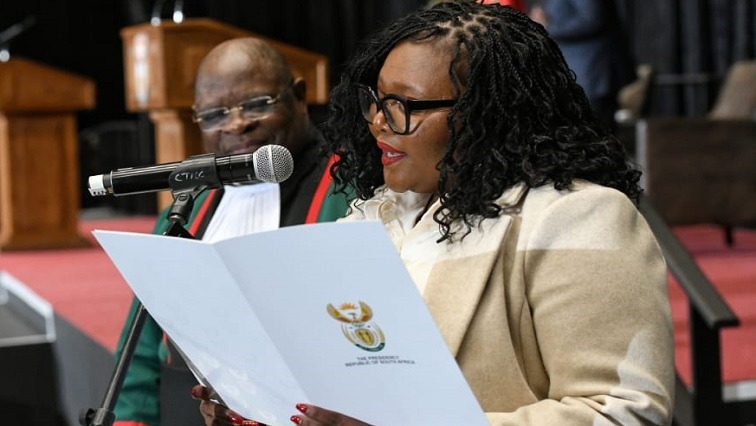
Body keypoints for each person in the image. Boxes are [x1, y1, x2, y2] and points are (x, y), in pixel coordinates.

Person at [195, 2, 675, 425]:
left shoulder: (578, 216)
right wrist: (258, 402)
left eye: (403, 105)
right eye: (376, 101)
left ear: (486, 113)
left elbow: (620, 411)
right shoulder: (373, 216)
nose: (379, 122)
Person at [112, 37, 350, 426]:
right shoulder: (186, 210)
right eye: (214, 114)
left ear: (299, 96)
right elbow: (140, 349)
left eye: (257, 104)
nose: (237, 124)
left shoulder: (350, 191)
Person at [529, 0, 635, 130]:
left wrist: (548, 27)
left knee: (596, 132)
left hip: (591, 74)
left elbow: (591, 20)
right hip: (575, 76)